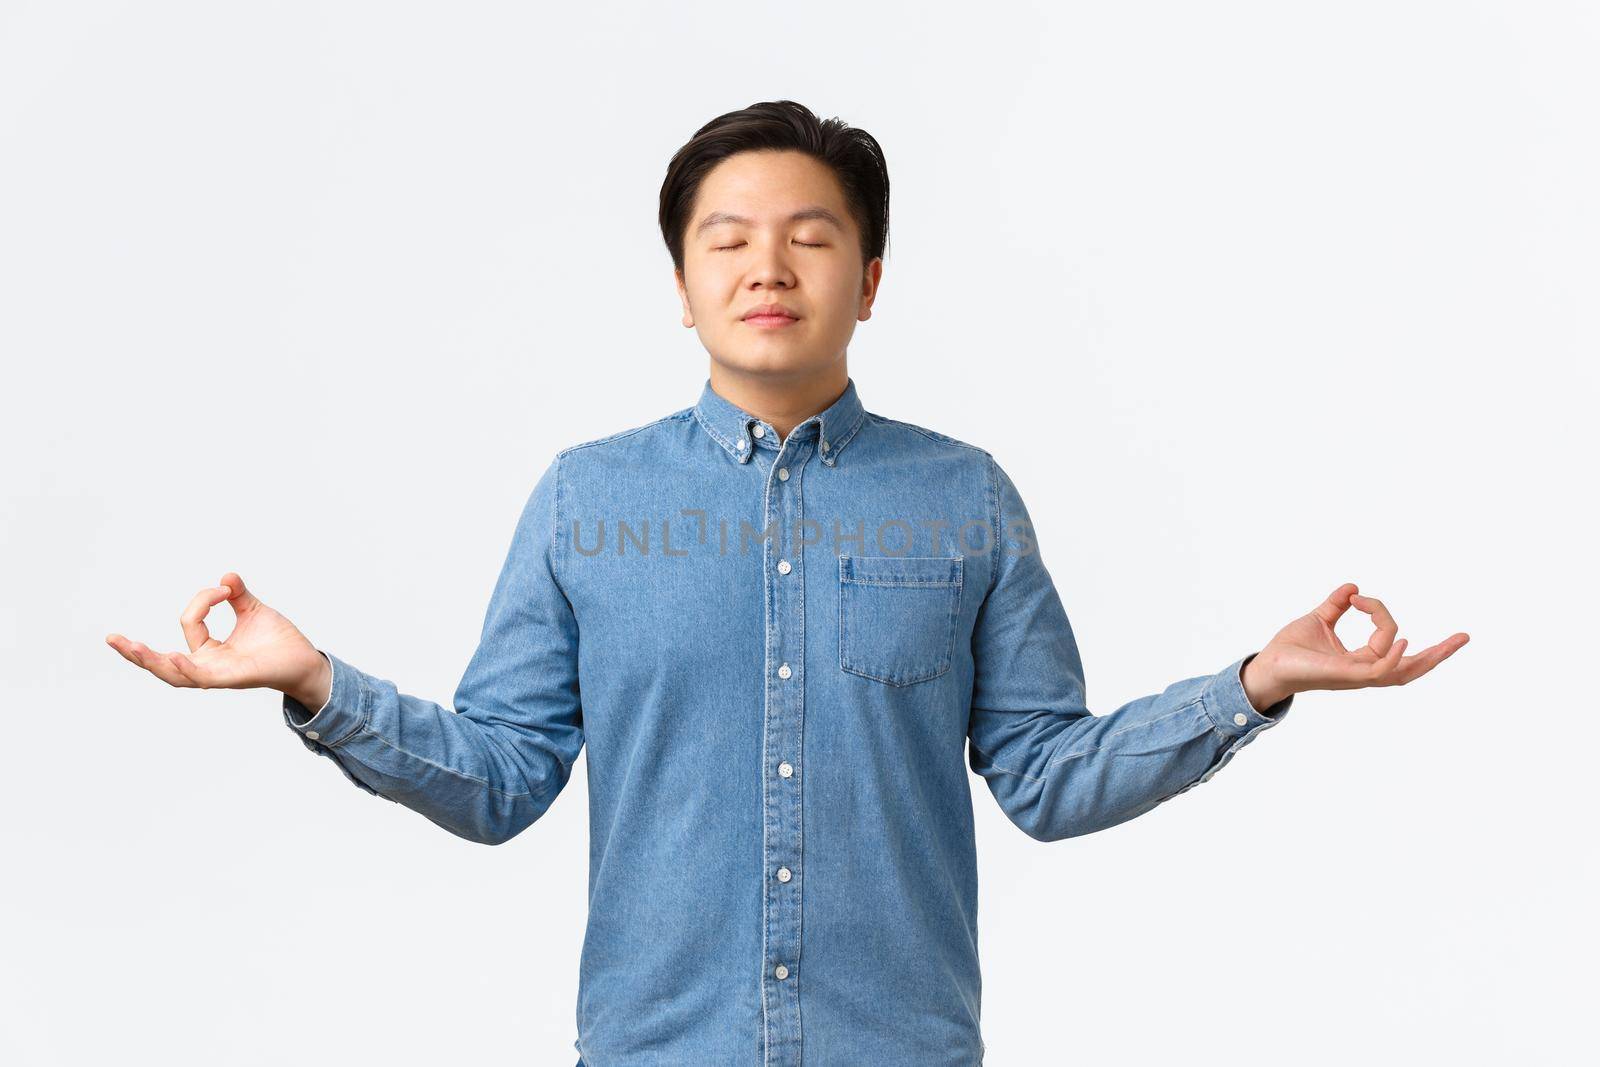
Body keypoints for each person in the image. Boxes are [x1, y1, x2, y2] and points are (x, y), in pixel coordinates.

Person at [106, 99, 1469, 1066]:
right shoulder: (588, 501)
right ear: (683, 284)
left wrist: (1258, 684)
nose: (770, 265)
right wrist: (313, 681)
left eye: (813, 238)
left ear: (869, 280)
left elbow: (1048, 778)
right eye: (729, 239)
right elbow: (501, 778)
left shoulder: (964, 501)